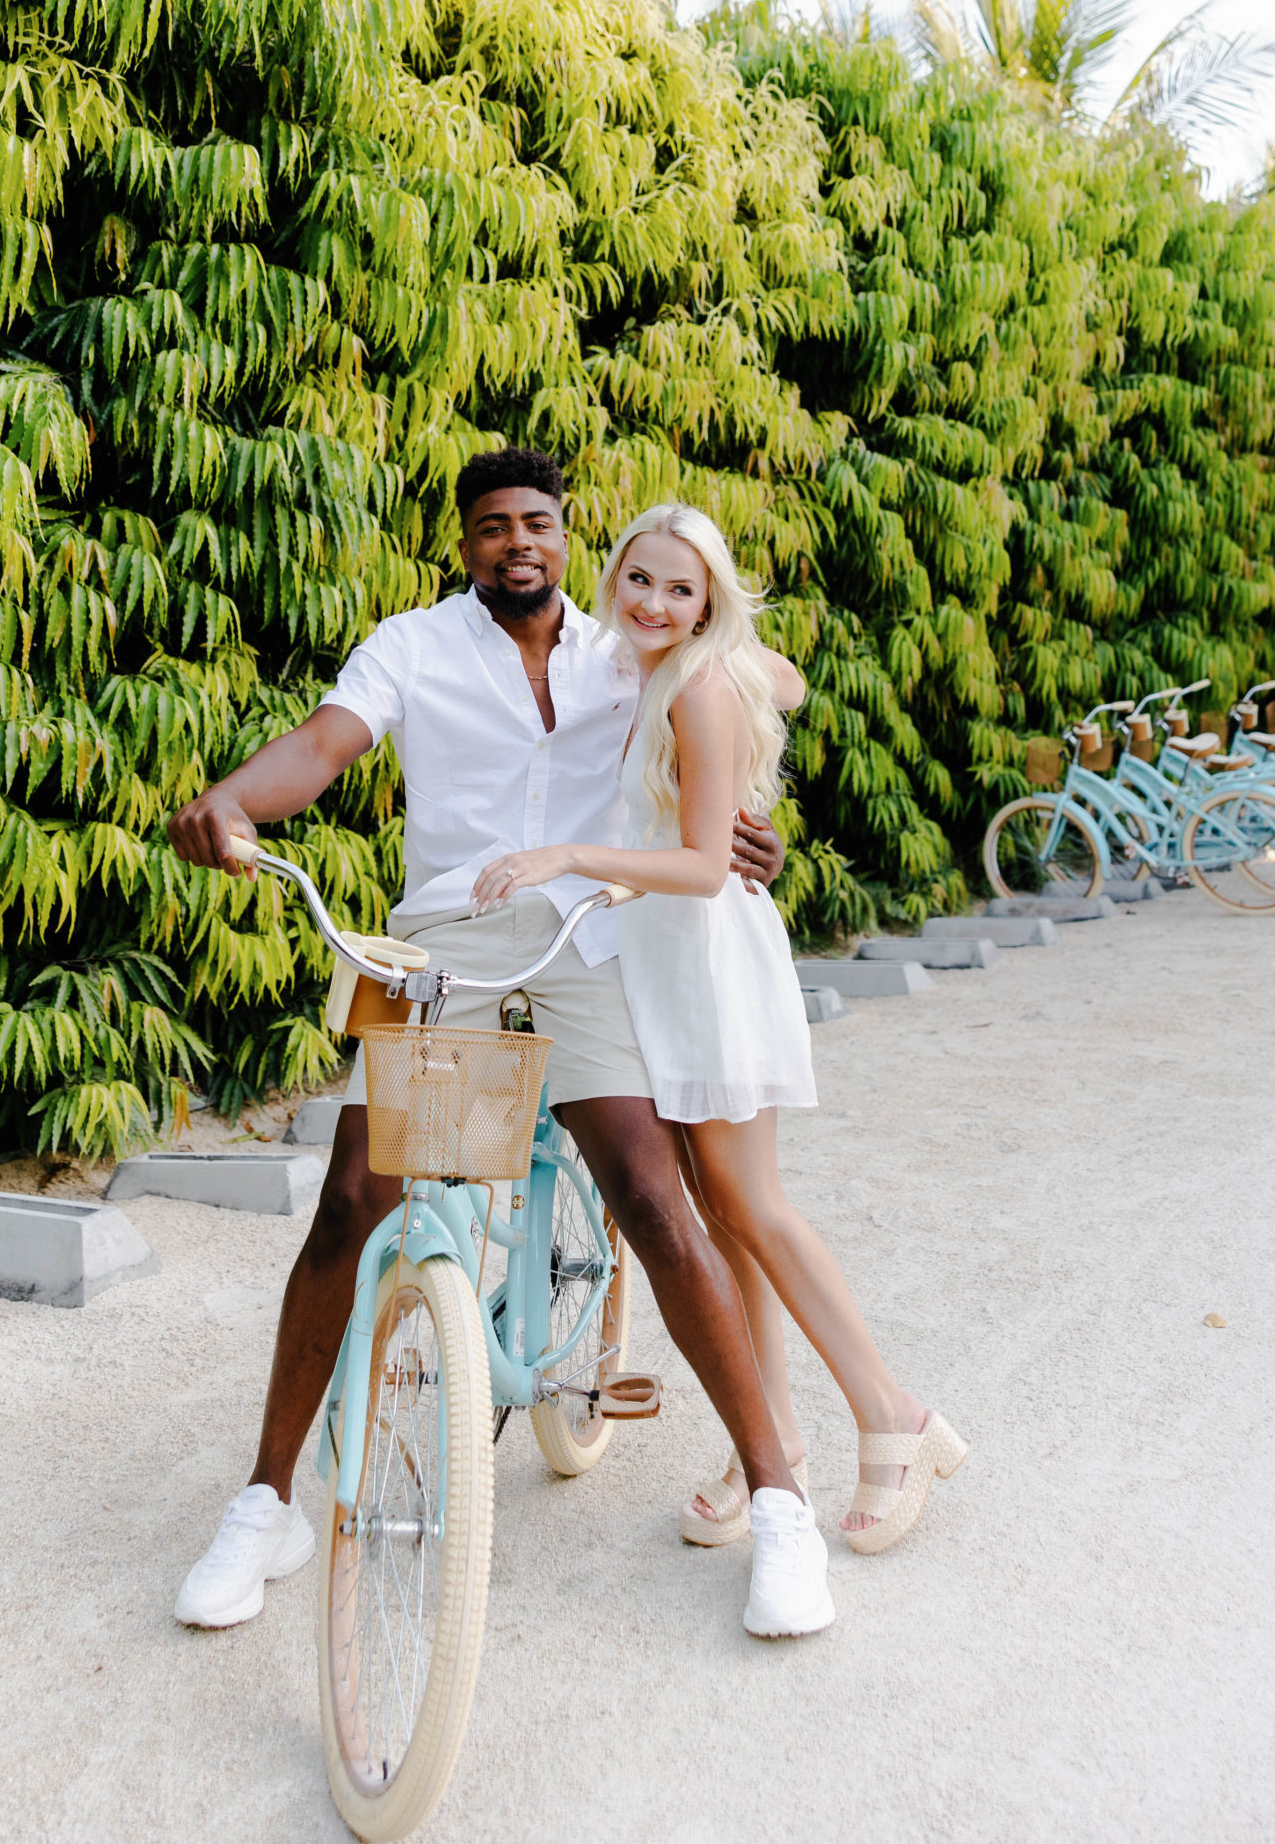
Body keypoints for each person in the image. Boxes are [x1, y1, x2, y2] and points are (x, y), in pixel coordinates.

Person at [165, 449, 834, 1641]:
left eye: (537, 521)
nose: (517, 540)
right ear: (465, 544)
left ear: (569, 537)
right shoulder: (413, 647)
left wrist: (753, 824)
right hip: (452, 951)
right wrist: (231, 801)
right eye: (491, 526)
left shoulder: (624, 642)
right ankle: (266, 1503)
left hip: (586, 946)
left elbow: (752, 675)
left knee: (653, 1193)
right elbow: (321, 747)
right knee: (357, 1199)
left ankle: (782, 1503)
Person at [472, 501, 966, 1566]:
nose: (654, 601)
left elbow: (701, 863)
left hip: (704, 957)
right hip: (655, 960)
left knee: (753, 1205)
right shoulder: (642, 658)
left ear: (711, 602)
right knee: (721, 1218)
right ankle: (772, 1435)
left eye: (681, 588)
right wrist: (736, 667)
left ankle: (897, 1416)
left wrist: (568, 855)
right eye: (639, 579)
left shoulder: (695, 681)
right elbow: (782, 676)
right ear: (613, 580)